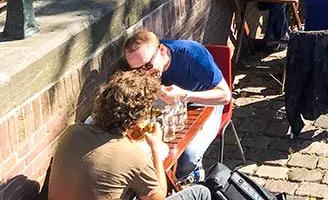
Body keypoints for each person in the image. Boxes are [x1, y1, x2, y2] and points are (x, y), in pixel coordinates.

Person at [48, 70, 210, 200]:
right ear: (134, 122)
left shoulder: (72, 132)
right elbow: (158, 197)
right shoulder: (134, 156)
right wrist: (154, 147)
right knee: (201, 192)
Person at [122, 29, 231, 182]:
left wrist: (185, 95)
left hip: (207, 102)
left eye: (147, 66)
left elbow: (225, 96)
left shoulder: (192, 55)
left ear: (162, 50)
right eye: (137, 70)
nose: (144, 74)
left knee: (189, 155)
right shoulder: (146, 66)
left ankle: (191, 175)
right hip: (172, 107)